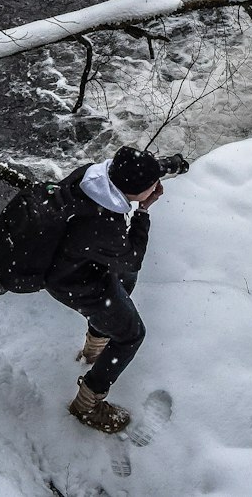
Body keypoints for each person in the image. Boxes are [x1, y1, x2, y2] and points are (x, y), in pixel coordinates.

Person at [45, 145, 170, 434]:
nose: (154, 189)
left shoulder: (89, 177)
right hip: (76, 282)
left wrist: (159, 169)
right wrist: (143, 212)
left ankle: (94, 349)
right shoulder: (104, 225)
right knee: (132, 334)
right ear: (134, 193)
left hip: (74, 263)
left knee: (123, 282)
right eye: (149, 187)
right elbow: (133, 258)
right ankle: (88, 403)